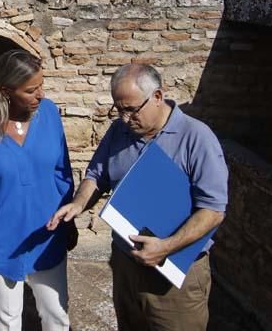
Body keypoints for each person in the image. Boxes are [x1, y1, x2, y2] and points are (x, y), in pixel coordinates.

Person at [48, 63, 228, 331]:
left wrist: (166, 246)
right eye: (118, 109)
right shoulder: (118, 131)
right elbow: (96, 175)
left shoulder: (197, 138)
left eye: (131, 109)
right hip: (126, 264)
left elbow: (213, 210)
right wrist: (78, 202)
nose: (123, 118)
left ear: (157, 96)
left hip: (175, 273)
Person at [0, 49, 74, 331]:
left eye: (41, 85)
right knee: (7, 320)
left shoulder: (50, 114)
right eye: (31, 90)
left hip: (47, 235)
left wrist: (70, 220)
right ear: (5, 91)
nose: (40, 94)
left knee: (57, 315)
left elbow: (62, 172)